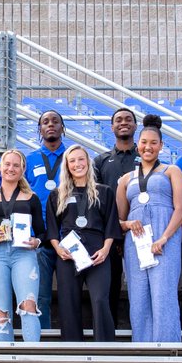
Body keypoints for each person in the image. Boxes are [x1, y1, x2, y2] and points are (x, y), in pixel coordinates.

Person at [116, 115, 182, 342]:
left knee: (163, 295)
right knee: (138, 297)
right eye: (144, 142)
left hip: (164, 241)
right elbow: (118, 219)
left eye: (153, 143)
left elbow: (181, 209)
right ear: (138, 145)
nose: (148, 147)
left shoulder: (171, 171)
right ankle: (143, 353)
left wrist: (165, 238)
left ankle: (168, 353)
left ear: (161, 146)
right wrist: (127, 224)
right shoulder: (125, 179)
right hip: (136, 244)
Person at [0, 150, 46, 342]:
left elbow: (42, 232)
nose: (10, 168)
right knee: (1, 312)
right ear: (0, 168)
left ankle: (32, 359)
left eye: (16, 165)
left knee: (28, 305)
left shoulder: (32, 198)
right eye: (7, 164)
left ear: (22, 170)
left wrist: (37, 242)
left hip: (24, 254)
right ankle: (4, 361)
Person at [46, 145, 119, 342]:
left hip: (98, 252)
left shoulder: (105, 192)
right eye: (72, 161)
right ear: (67, 166)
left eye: (81, 159)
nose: (77, 164)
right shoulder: (57, 194)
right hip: (68, 253)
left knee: (100, 299)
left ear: (88, 161)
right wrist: (57, 248)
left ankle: (105, 351)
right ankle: (72, 352)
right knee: (68, 302)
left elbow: (111, 223)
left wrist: (106, 249)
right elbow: (52, 227)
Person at [93, 107, 140, 327]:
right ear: (111, 127)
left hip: (141, 231)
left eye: (128, 119)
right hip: (109, 233)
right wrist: (114, 229)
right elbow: (96, 200)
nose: (124, 123)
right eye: (118, 120)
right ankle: (110, 335)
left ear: (135, 125)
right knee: (110, 286)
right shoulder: (101, 161)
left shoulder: (147, 157)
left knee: (141, 284)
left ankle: (141, 333)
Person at [24, 110, 68, 330]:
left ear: (63, 127)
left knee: (70, 293)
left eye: (55, 121)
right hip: (40, 236)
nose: (50, 125)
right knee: (41, 294)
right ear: (39, 129)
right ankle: (42, 340)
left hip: (68, 235)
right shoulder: (29, 160)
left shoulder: (73, 156)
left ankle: (71, 342)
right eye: (45, 122)